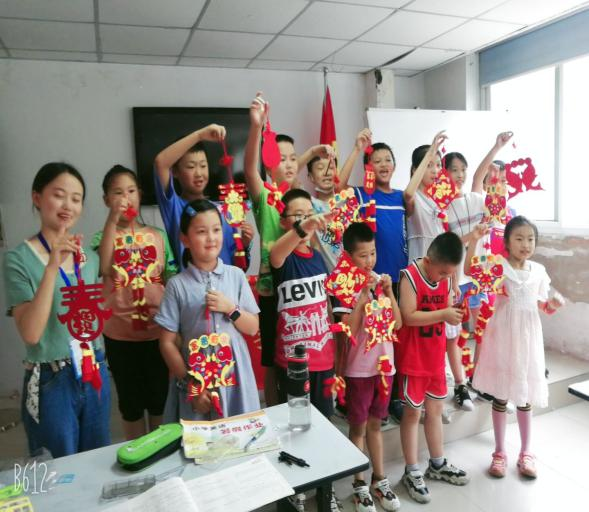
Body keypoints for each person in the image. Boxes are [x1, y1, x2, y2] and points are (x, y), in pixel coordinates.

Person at [3, 162, 111, 457]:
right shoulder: (17, 259)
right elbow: (31, 334)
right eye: (59, 195)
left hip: (94, 369)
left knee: (97, 462)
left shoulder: (88, 258)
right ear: (37, 197)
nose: (68, 205)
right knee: (58, 469)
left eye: (76, 199)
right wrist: (52, 266)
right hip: (52, 380)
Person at [244, 92, 333, 407]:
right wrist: (257, 127)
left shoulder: (297, 198)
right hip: (273, 292)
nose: (290, 164)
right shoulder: (267, 199)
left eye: (294, 158)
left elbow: (290, 169)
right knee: (273, 364)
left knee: (302, 360)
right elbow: (251, 170)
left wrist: (309, 154)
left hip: (302, 293)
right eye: (281, 159)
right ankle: (275, 414)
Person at [467, 216, 563, 479]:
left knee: (524, 396)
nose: (525, 244)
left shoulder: (539, 271)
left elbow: (542, 307)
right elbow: (470, 270)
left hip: (528, 339)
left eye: (530, 239)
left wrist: (553, 305)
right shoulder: (498, 265)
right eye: (519, 238)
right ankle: (499, 453)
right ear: (507, 242)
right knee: (500, 396)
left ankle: (526, 453)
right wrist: (474, 240)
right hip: (502, 337)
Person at [92, 165, 177, 440]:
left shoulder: (158, 235)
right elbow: (105, 267)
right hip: (120, 336)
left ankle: (158, 449)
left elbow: (170, 281)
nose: (125, 198)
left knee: (158, 399)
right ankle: (137, 453)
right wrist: (112, 220)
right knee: (130, 404)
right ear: (106, 200)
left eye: (130, 191)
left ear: (140, 194)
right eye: (117, 193)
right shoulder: (102, 238)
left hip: (157, 332)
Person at [155, 200, 260, 421]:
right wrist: (191, 385)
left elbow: (252, 328)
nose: (211, 238)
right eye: (202, 232)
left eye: (216, 230)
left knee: (237, 432)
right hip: (196, 376)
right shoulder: (177, 285)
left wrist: (231, 309)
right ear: (185, 239)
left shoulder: (236, 275)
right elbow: (166, 342)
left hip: (234, 373)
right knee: (200, 438)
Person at [269, 188, 339, 512]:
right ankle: (295, 490)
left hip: (324, 359)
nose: (306, 220)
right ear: (285, 222)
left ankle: (326, 490)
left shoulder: (321, 259)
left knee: (325, 427)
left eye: (309, 213)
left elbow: (330, 306)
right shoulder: (282, 258)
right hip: (294, 364)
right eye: (297, 215)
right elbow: (276, 253)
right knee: (295, 429)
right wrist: (306, 225)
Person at [333, 223, 402, 512]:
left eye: (372, 253)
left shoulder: (379, 284)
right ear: (348, 256)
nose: (370, 260)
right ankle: (359, 483)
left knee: (376, 424)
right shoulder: (344, 287)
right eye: (363, 255)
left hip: (384, 368)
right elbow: (346, 330)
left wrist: (389, 293)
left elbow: (397, 324)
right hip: (358, 370)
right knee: (358, 427)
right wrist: (362, 299)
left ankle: (379, 479)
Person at [396, 232, 470, 504]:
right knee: (412, 414)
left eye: (450, 273)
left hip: (435, 358)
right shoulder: (410, 276)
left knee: (435, 411)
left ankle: (437, 464)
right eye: (442, 273)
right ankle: (411, 470)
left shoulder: (447, 276)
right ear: (428, 261)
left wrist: (456, 312)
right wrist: (443, 313)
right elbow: (408, 316)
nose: (446, 278)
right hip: (413, 359)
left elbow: (447, 308)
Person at [153, 124, 254, 269]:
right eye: (191, 167)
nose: (199, 173)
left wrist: (244, 244)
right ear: (175, 172)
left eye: (203, 165)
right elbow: (161, 163)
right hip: (190, 282)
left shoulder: (224, 210)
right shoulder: (174, 207)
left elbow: (237, 265)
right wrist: (199, 135)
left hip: (224, 283)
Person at [307, 128, 372, 272]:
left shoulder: (350, 202)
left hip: (353, 277)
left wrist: (357, 148)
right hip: (325, 277)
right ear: (310, 177)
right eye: (320, 168)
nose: (326, 173)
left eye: (331, 168)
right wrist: (311, 152)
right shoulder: (308, 205)